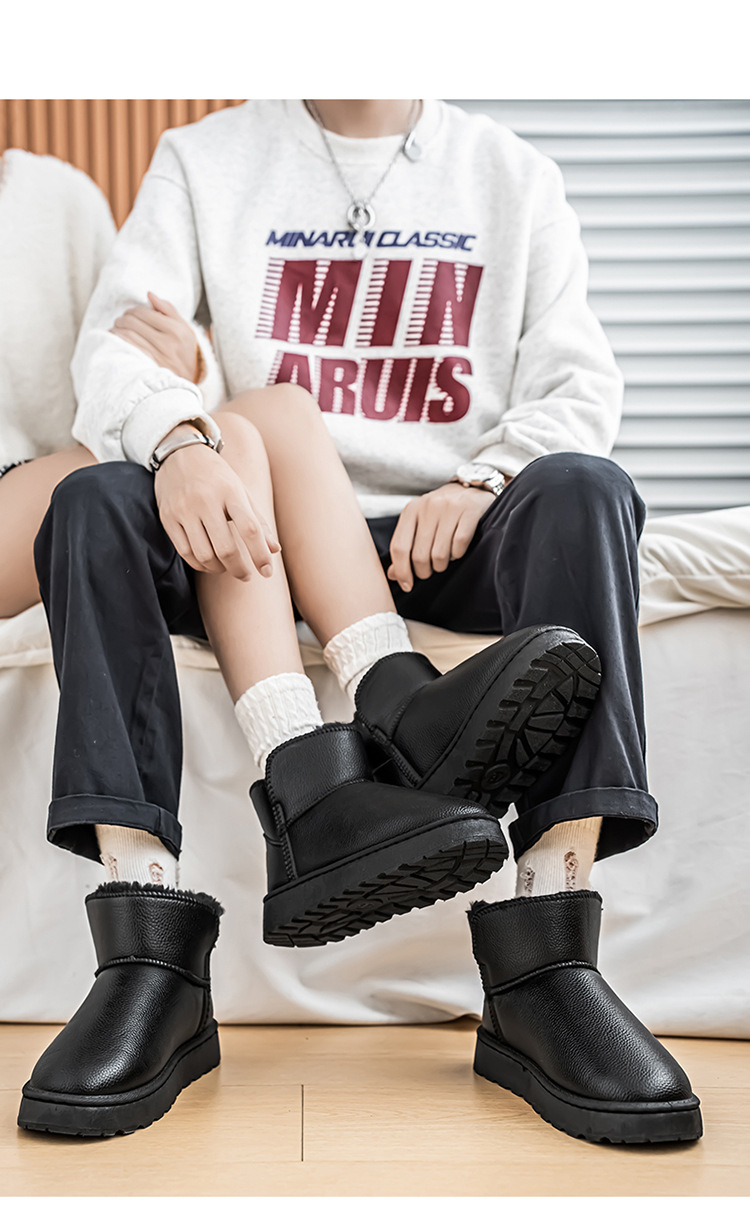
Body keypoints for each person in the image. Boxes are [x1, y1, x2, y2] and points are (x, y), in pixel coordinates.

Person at [12, 101, 702, 1145]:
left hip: (444, 529)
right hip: (257, 520)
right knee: (93, 501)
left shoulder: (512, 174)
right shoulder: (202, 161)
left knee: (586, 492)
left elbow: (578, 382)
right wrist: (181, 436)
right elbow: (112, 360)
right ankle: (145, 954)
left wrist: (482, 478)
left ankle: (548, 957)